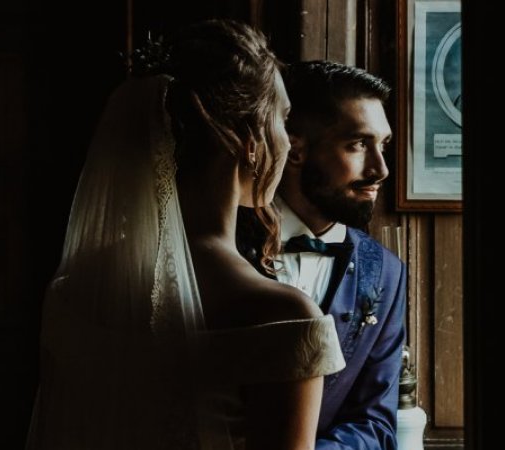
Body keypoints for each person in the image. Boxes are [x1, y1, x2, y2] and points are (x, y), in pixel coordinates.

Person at [25, 20, 344, 450]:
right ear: (249, 140)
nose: (289, 144)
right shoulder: (283, 315)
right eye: (282, 120)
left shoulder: (75, 291)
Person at [238, 61, 406, 449]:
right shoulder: (220, 247)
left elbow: (375, 422)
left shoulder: (386, 274)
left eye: (383, 145)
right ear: (295, 149)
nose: (380, 169)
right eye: (358, 144)